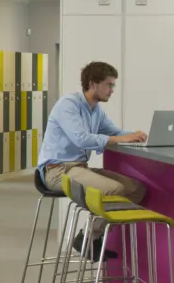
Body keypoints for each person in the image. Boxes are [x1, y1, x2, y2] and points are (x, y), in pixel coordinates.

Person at [38, 61, 149, 205]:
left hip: (79, 168)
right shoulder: (68, 104)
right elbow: (81, 139)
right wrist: (120, 138)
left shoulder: (96, 110)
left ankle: (103, 226)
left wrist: (136, 136)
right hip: (58, 172)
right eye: (109, 85)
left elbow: (115, 132)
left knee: (136, 189)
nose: (112, 90)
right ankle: (96, 228)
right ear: (93, 84)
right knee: (115, 189)